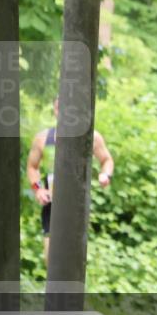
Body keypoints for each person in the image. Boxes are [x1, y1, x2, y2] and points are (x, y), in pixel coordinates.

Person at [26, 97, 114, 266]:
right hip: (52, 205)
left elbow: (107, 160)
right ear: (55, 110)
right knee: (51, 260)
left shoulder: (91, 137)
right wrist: (38, 189)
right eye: (60, 108)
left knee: (71, 261)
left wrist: (105, 175)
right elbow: (32, 167)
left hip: (77, 205)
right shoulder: (43, 139)